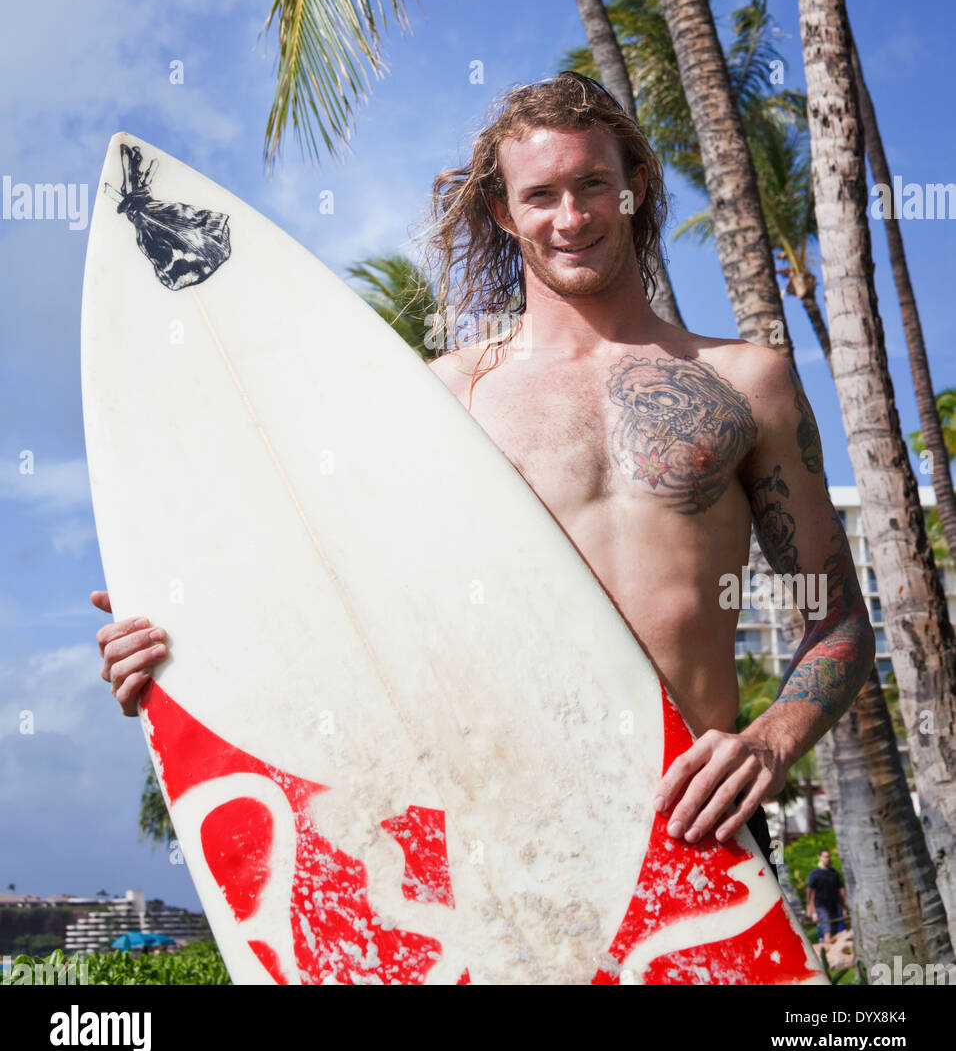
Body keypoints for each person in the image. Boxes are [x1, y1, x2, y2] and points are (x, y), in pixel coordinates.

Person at [93, 72, 875, 874]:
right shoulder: (449, 399)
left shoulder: (748, 383)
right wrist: (177, 647)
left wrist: (767, 744)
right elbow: (346, 599)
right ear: (505, 212)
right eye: (540, 196)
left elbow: (838, 622)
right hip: (505, 841)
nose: (570, 218)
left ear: (636, 187)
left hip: (696, 839)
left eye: (592, 185)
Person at [806, 848, 848, 943]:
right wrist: (812, 911)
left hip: (833, 906)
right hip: (820, 906)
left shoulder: (833, 873)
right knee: (827, 930)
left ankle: (831, 953)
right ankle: (826, 953)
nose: (827, 859)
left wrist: (844, 907)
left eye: (828, 856)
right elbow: (810, 893)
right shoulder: (815, 873)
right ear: (820, 858)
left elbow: (840, 891)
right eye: (825, 856)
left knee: (835, 931)